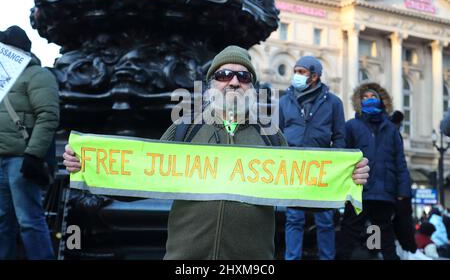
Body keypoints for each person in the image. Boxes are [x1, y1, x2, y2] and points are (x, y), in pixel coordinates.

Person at [63, 45, 370, 260]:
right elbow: (137, 179)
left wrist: (347, 179)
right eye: (224, 74)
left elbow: (301, 192)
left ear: (251, 86)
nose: (234, 81)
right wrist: (86, 164)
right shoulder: (186, 128)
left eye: (243, 76)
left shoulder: (271, 135)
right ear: (212, 84)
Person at [0, 25, 59, 259]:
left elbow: (48, 116)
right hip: (4, 159)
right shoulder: (4, 77)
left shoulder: (38, 75)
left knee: (29, 220)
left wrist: (33, 155)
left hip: (20, 159)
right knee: (3, 222)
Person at [279, 56, 345, 260]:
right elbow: (278, 133)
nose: (296, 76)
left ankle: (327, 257)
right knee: (294, 218)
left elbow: (339, 136)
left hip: (322, 168)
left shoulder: (333, 102)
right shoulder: (284, 100)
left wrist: (336, 165)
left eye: (301, 72)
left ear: (315, 76)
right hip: (294, 168)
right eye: (295, 71)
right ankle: (292, 258)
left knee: (325, 219)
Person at [338, 82, 411, 260]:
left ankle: (374, 256)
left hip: (384, 193)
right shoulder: (352, 126)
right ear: (359, 101)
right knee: (349, 233)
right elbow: (343, 157)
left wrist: (402, 192)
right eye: (365, 97)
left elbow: (400, 162)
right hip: (359, 191)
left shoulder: (391, 130)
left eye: (372, 97)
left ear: (380, 101)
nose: (369, 99)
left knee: (382, 235)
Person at [389, 110, 429, 260]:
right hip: (387, 186)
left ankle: (378, 249)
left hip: (382, 187)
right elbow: (400, 164)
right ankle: (408, 249)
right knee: (396, 220)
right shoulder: (392, 133)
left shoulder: (387, 131)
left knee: (382, 222)